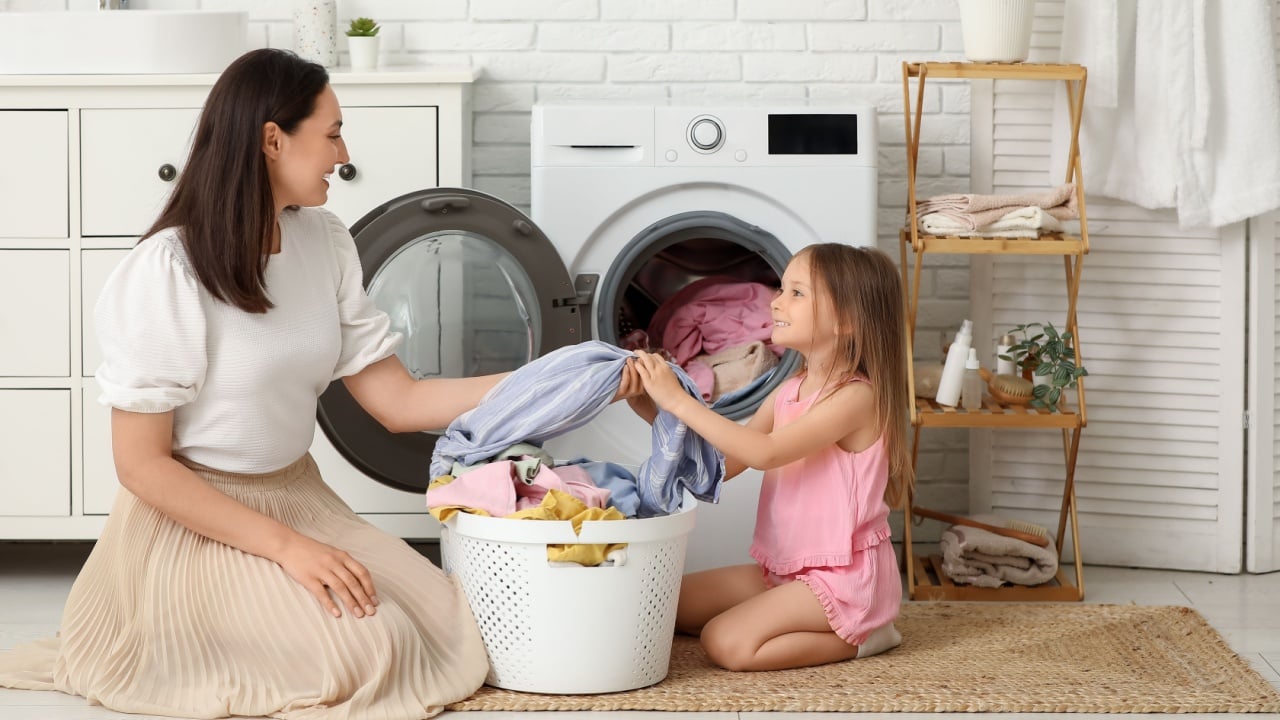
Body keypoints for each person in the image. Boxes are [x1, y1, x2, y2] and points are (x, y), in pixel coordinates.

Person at [0, 48, 642, 719]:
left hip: (298, 497)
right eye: (331, 131)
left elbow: (400, 402)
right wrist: (289, 550)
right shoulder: (166, 271)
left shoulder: (325, 241)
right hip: (195, 523)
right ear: (272, 139)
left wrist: (557, 378)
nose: (343, 151)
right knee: (370, 651)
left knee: (456, 619)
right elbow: (141, 466)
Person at [629, 243, 913, 671]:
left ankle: (867, 637)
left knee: (725, 642)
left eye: (797, 293)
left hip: (843, 580)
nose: (775, 301)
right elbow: (729, 461)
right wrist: (651, 407)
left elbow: (766, 453)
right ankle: (785, 609)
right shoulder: (789, 389)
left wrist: (680, 402)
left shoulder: (857, 397)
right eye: (782, 289)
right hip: (785, 572)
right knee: (660, 602)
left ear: (848, 320)